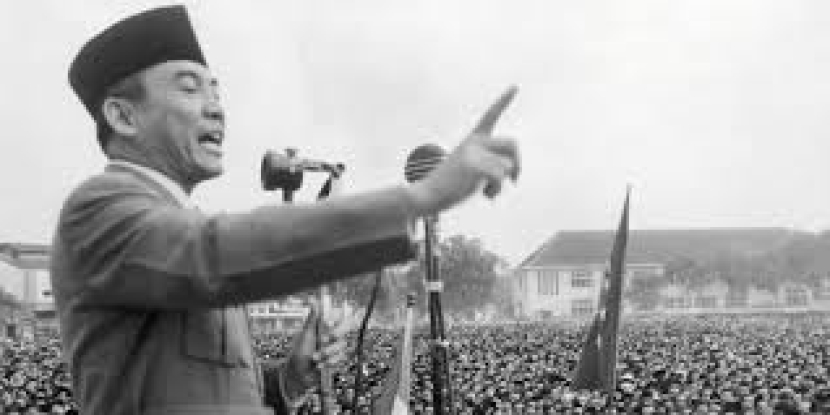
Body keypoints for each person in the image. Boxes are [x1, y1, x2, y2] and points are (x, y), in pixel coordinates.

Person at [51, 5, 520, 415]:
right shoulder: (98, 213)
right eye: (191, 89)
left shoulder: (179, 224)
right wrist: (418, 199)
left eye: (217, 91)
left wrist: (290, 379)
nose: (217, 109)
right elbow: (210, 253)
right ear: (122, 116)